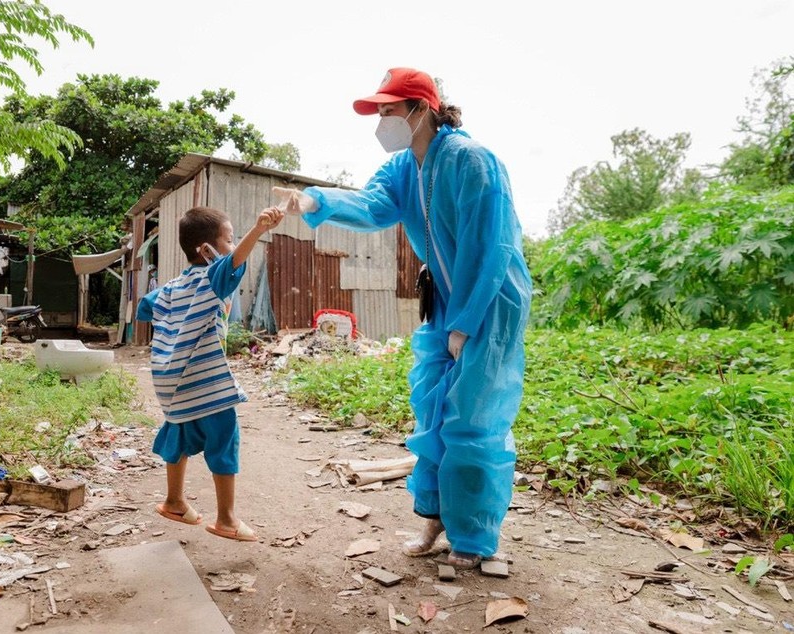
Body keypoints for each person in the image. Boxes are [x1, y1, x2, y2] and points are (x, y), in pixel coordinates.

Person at [273, 67, 531, 567]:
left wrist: (467, 321)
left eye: (389, 110)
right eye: (379, 111)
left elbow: (492, 247)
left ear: (421, 109)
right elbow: (372, 207)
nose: (381, 120)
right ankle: (436, 521)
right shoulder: (401, 171)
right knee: (433, 413)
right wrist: (311, 200)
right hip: (444, 301)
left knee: (473, 419)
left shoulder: (473, 160)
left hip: (490, 301)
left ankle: (474, 539)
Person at [137, 204, 284, 542]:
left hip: (171, 381)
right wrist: (259, 229)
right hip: (204, 380)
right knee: (224, 438)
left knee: (180, 435)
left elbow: (146, 307)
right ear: (206, 250)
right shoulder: (211, 278)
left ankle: (174, 501)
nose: (234, 247)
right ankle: (227, 519)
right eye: (229, 240)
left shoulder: (173, 287)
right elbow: (232, 264)